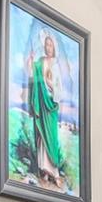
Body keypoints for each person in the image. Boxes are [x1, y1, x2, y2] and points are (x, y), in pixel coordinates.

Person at [27, 32, 68, 188]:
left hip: (51, 105)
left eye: (50, 45)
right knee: (41, 137)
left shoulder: (56, 65)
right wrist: (31, 62)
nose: (48, 47)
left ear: (54, 47)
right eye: (46, 44)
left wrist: (51, 86)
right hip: (41, 103)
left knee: (51, 137)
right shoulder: (39, 62)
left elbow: (60, 91)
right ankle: (44, 171)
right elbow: (32, 75)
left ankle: (55, 172)